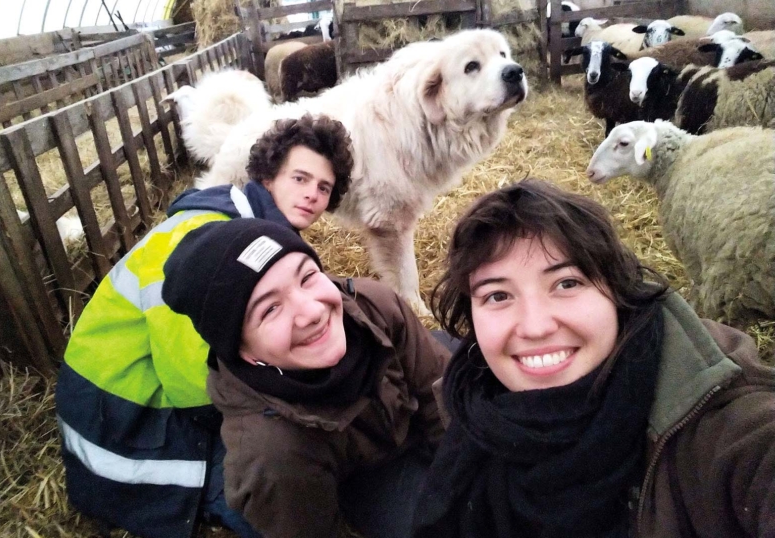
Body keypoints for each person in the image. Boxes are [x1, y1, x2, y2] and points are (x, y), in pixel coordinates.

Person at [412, 179, 775, 538]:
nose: (536, 327)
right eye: (498, 295)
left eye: (567, 283)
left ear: (617, 291)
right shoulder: (473, 398)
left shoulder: (724, 429)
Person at [54, 114, 353, 538]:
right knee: (278, 491)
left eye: (323, 188)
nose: (311, 196)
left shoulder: (249, 233)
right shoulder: (202, 240)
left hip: (133, 401)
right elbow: (193, 385)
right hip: (123, 424)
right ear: (267, 176)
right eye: (300, 178)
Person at [162, 218, 451, 538]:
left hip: (411, 423)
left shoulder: (371, 303)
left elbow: (435, 385)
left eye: (308, 276)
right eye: (270, 309)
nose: (312, 311)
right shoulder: (270, 456)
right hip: (367, 478)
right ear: (242, 350)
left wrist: (462, 468)